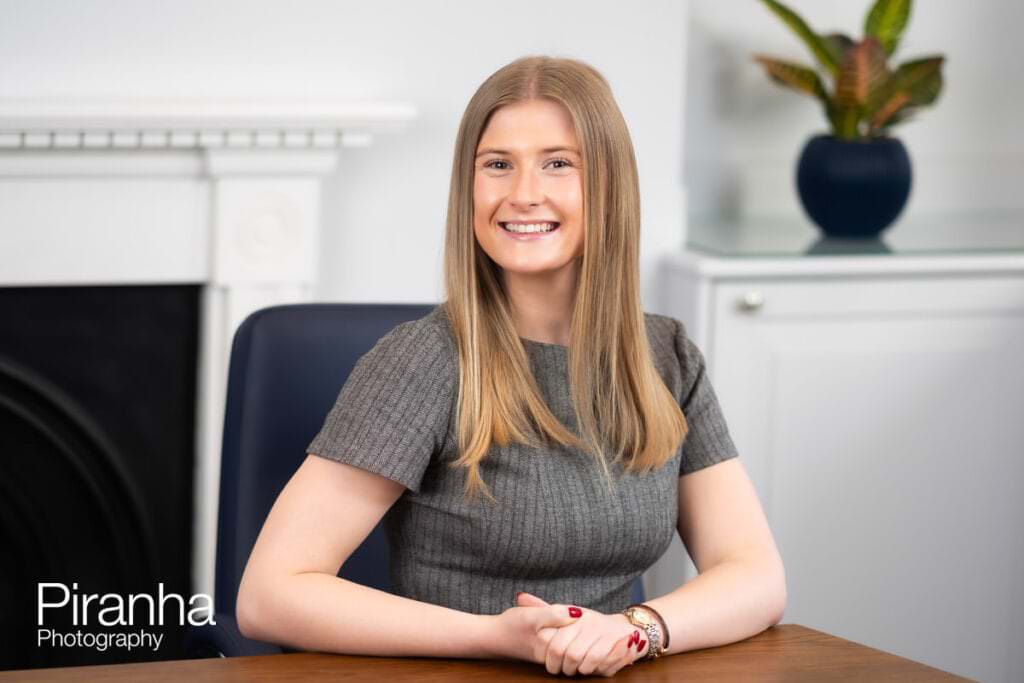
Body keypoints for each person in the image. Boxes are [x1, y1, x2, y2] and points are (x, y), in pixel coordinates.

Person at [236, 55, 786, 678]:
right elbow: (271, 594)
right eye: (497, 164)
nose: (523, 193)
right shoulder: (422, 361)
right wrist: (494, 637)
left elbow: (754, 574)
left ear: (610, 186)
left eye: (559, 163)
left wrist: (637, 630)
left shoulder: (666, 356)